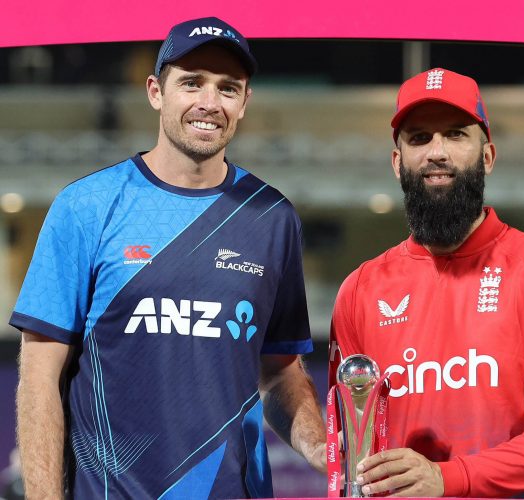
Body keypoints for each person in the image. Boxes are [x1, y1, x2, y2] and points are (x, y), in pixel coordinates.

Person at [12, 17, 326, 499]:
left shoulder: (272, 218)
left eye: (227, 88)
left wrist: (326, 450)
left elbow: (280, 371)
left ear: (244, 103)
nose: (209, 102)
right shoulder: (86, 207)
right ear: (156, 92)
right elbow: (39, 374)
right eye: (192, 82)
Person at [328, 68, 524, 498]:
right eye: (419, 138)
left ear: (487, 155)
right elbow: (350, 441)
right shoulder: (360, 291)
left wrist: (448, 477)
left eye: (456, 135)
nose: (437, 152)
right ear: (398, 163)